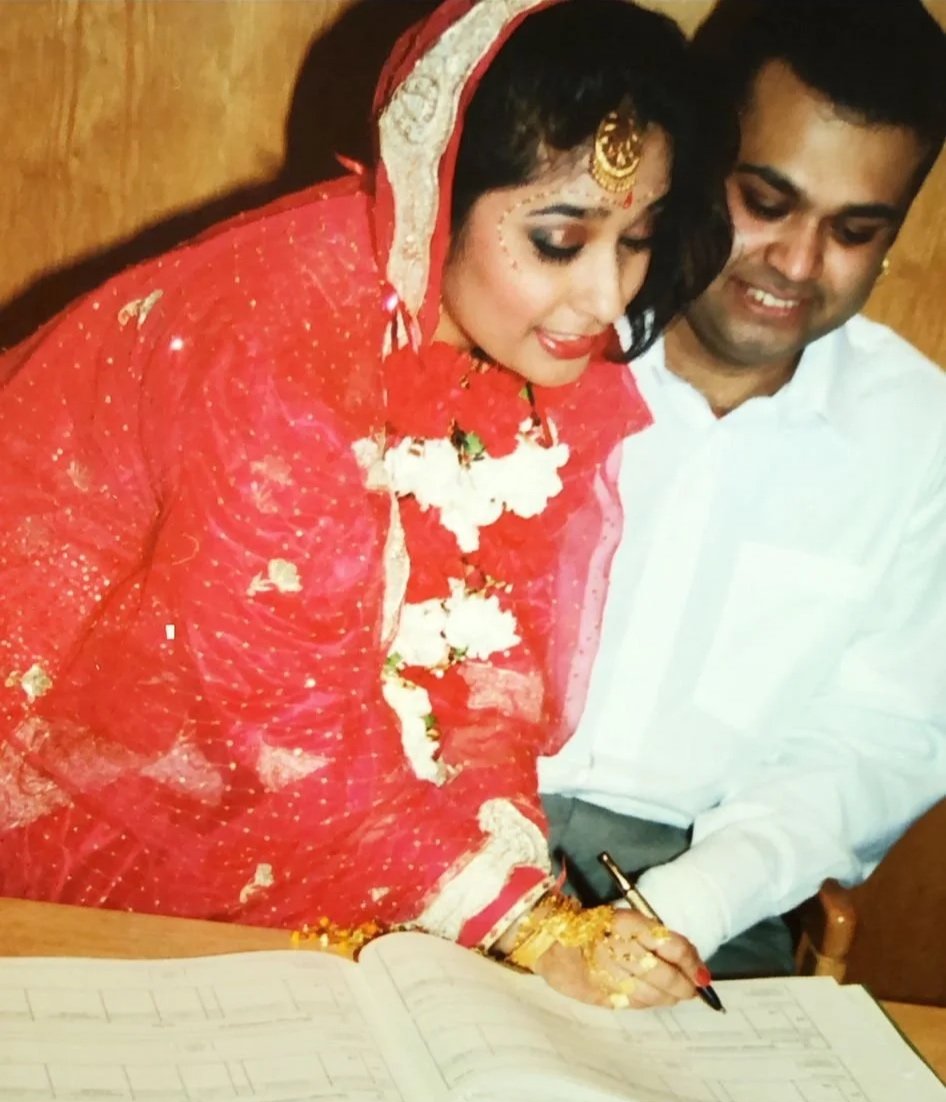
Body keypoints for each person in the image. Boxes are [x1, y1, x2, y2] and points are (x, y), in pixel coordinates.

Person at [0, 0, 732, 1009]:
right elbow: (283, 733)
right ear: (439, 192)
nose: (604, 299)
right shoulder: (273, 351)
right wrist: (524, 925)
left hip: (282, 779)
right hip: (86, 790)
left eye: (637, 238)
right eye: (559, 240)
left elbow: (479, 676)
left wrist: (527, 887)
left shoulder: (515, 350)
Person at [540, 0, 946, 979]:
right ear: (686, 168)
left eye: (852, 229)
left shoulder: (919, 442)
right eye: (764, 203)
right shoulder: (540, 339)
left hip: (706, 904)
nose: (798, 265)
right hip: (436, 844)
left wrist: (683, 906)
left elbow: (873, 743)